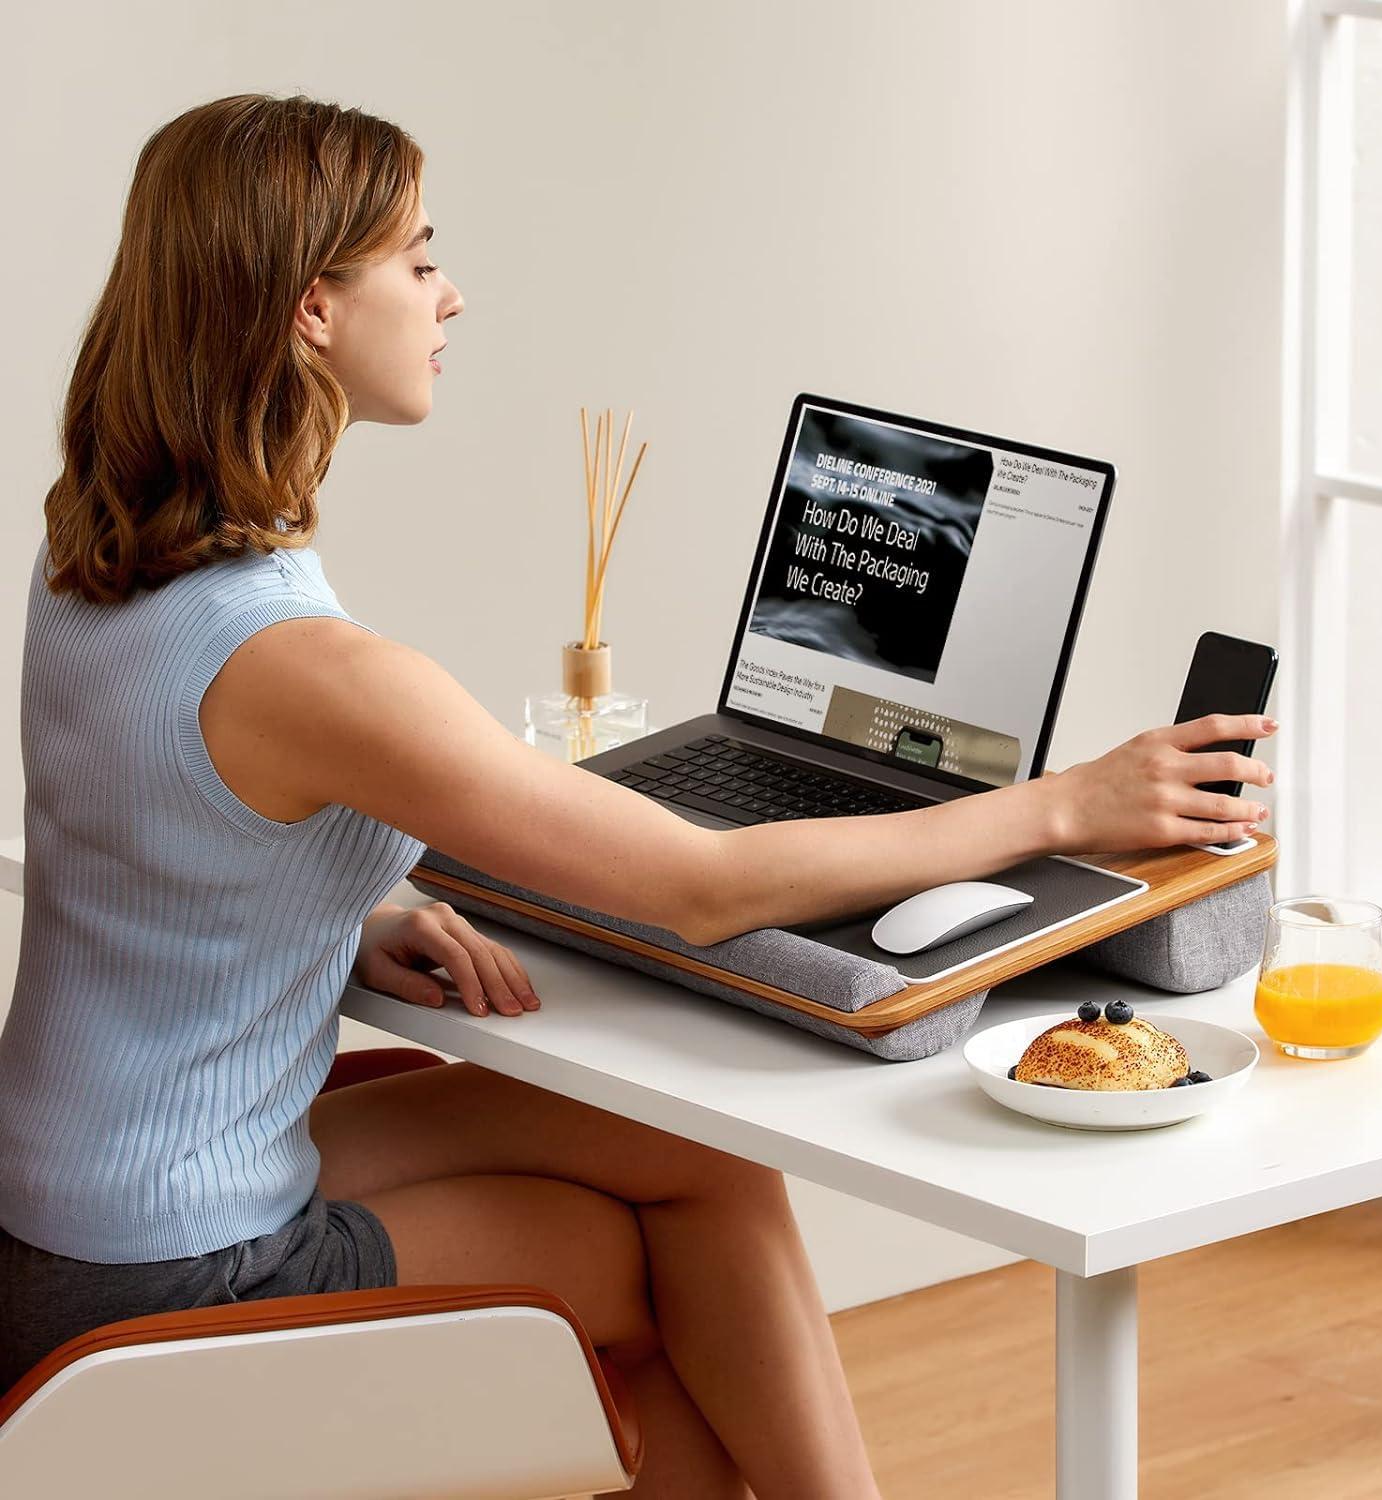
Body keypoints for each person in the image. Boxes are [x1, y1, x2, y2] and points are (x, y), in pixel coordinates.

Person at [0, 92, 1275, 1499]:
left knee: (696, 1164)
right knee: (650, 1274)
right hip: (182, 1264)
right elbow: (698, 888)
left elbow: (148, 827)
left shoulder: (94, 558)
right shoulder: (308, 666)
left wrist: (326, 922)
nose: (451, 292)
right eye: (419, 260)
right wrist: (1062, 809)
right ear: (313, 309)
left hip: (66, 1206)